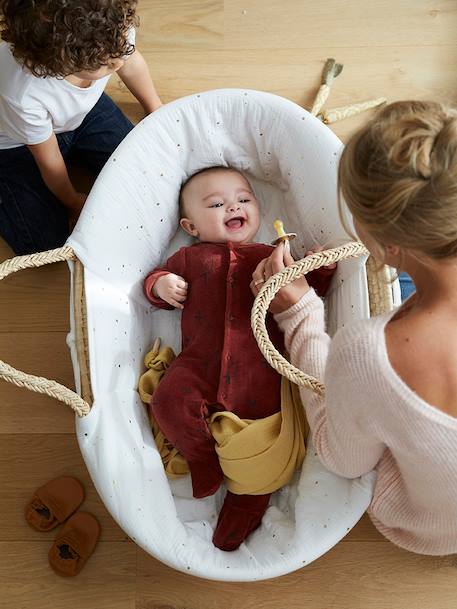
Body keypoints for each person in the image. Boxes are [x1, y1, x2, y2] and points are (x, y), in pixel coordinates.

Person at [253, 100, 457, 555]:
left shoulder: (369, 353)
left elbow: (342, 458)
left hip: (434, 526)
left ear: (385, 242)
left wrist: (299, 314)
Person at [143, 166, 336, 551]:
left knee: (263, 443)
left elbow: (309, 290)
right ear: (191, 226)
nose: (234, 206)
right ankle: (201, 456)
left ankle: (249, 499)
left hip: (260, 367)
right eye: (217, 204)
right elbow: (152, 281)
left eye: (244, 199)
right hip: (197, 364)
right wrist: (161, 285)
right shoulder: (189, 258)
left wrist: (321, 267)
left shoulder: (272, 255)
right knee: (168, 401)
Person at [0, 0, 162, 255]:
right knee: (45, 245)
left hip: (81, 112)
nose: (118, 62)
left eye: (122, 49)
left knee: (143, 171)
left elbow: (131, 63)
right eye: (106, 65)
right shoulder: (23, 92)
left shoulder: (112, 28)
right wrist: (73, 201)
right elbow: (49, 160)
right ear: (61, 65)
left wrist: (157, 111)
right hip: (15, 147)